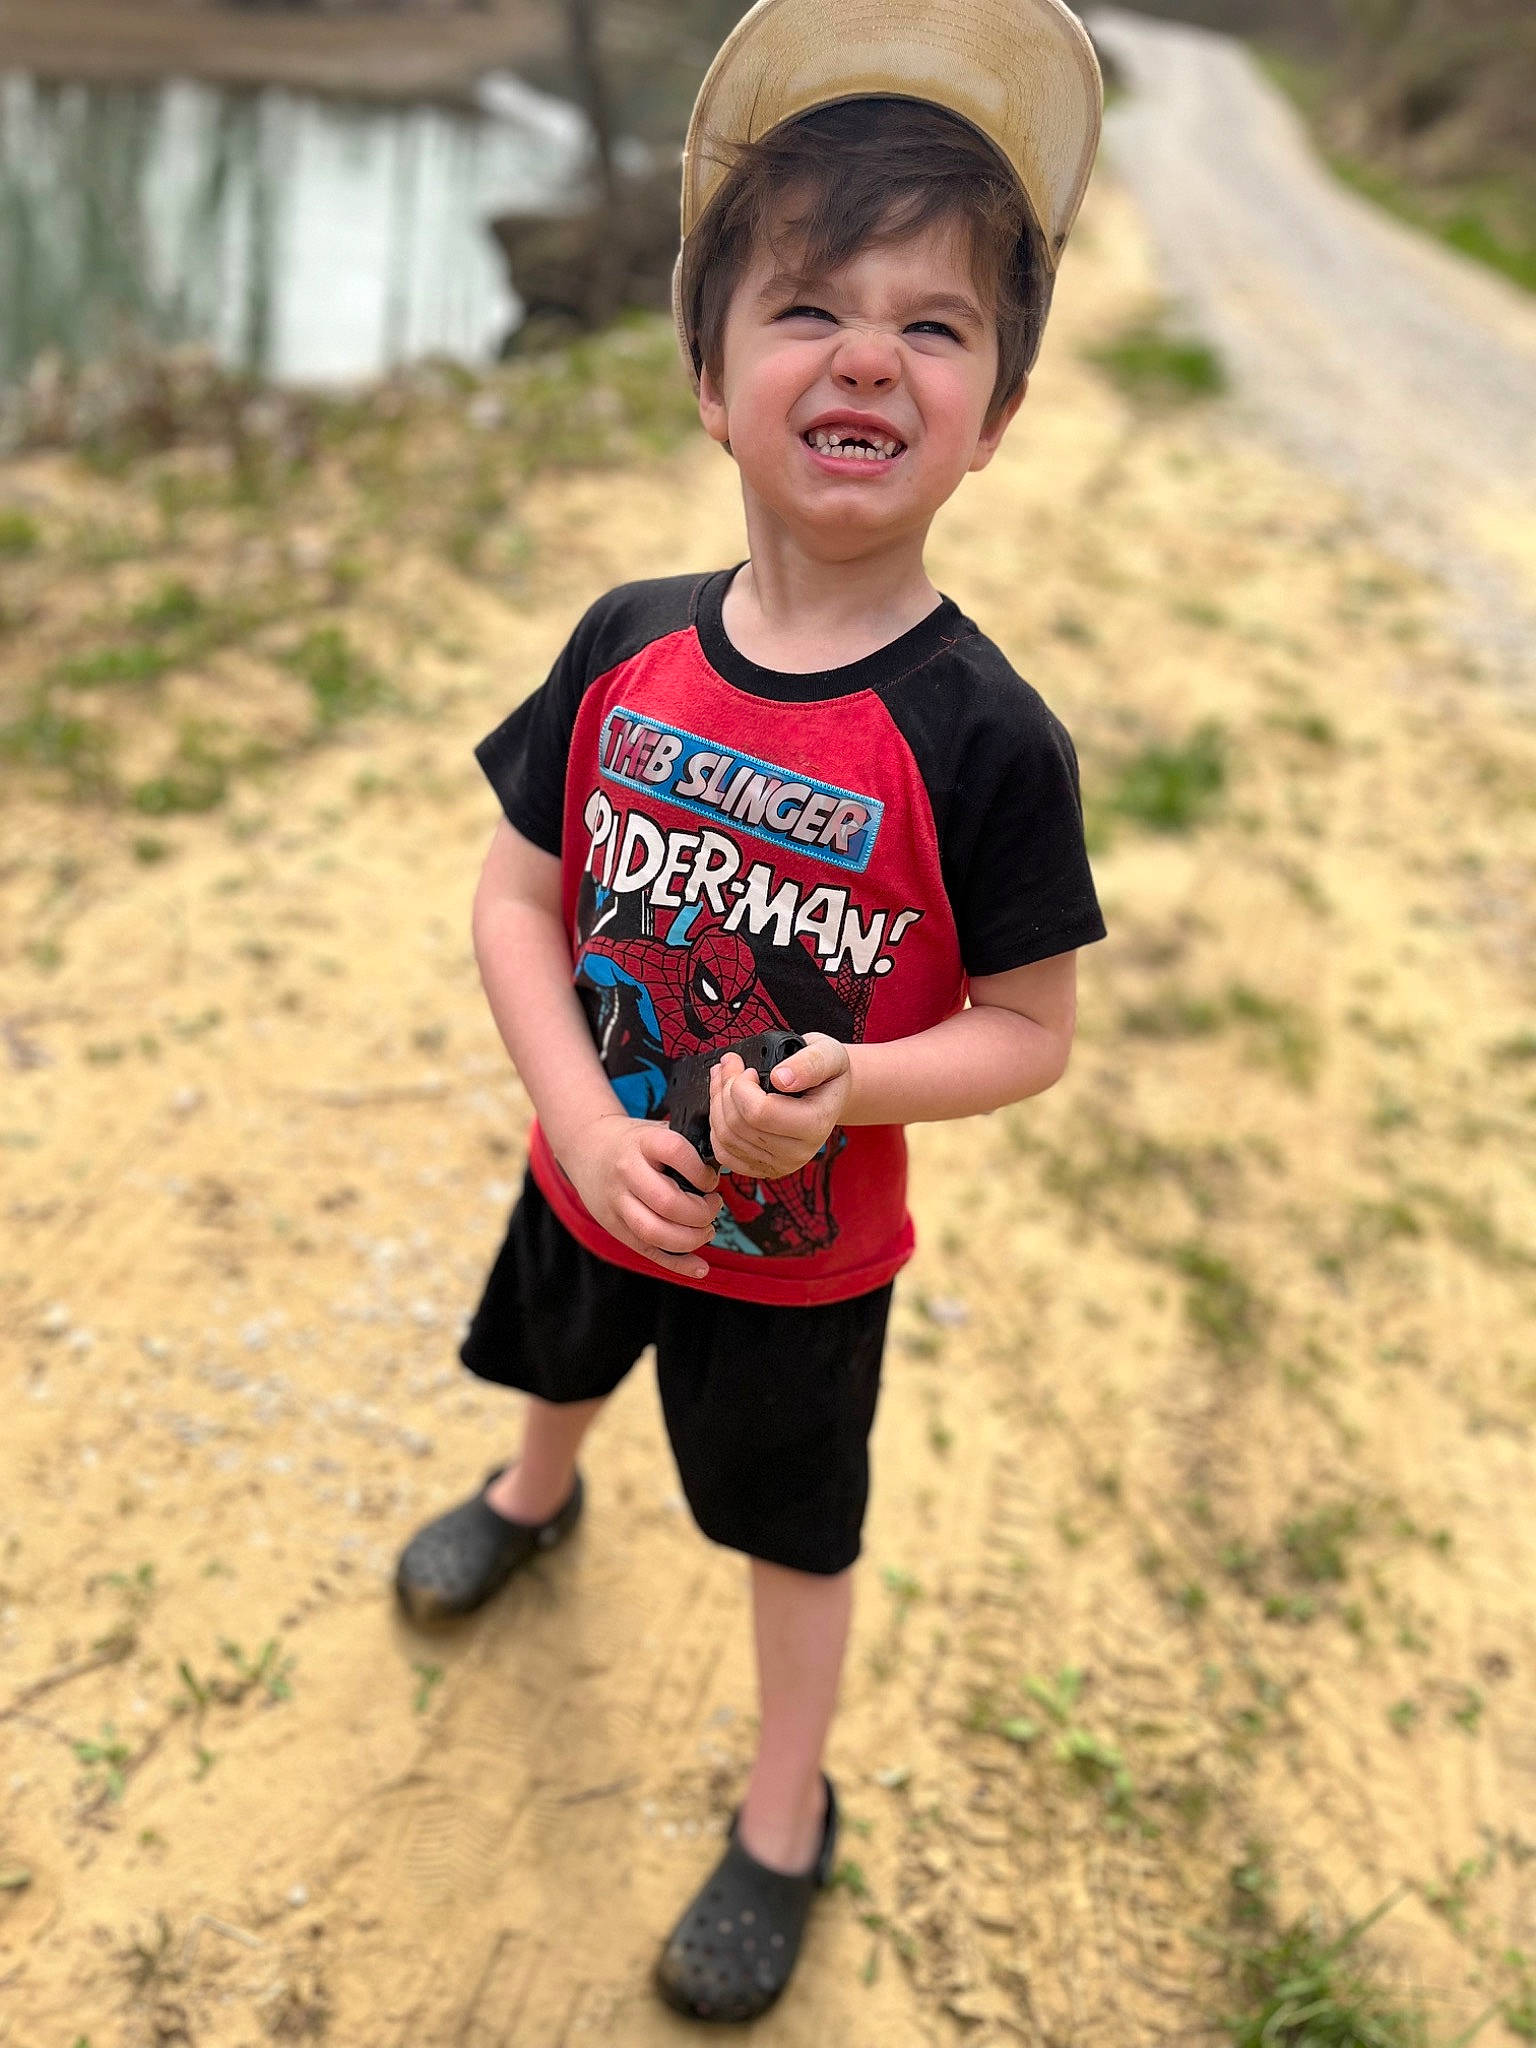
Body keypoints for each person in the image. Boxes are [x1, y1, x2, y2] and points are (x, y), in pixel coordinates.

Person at [393, 0, 1107, 2021]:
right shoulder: (625, 648)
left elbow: (1033, 1032)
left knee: (793, 1523)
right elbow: (518, 898)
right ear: (710, 378)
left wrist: (859, 1080)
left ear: (997, 410)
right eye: (808, 307)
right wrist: (581, 1114)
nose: (870, 352)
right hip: (591, 1162)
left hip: (804, 1260)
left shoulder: (983, 741)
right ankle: (537, 1496)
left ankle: (786, 1808)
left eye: (937, 325)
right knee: (556, 1344)